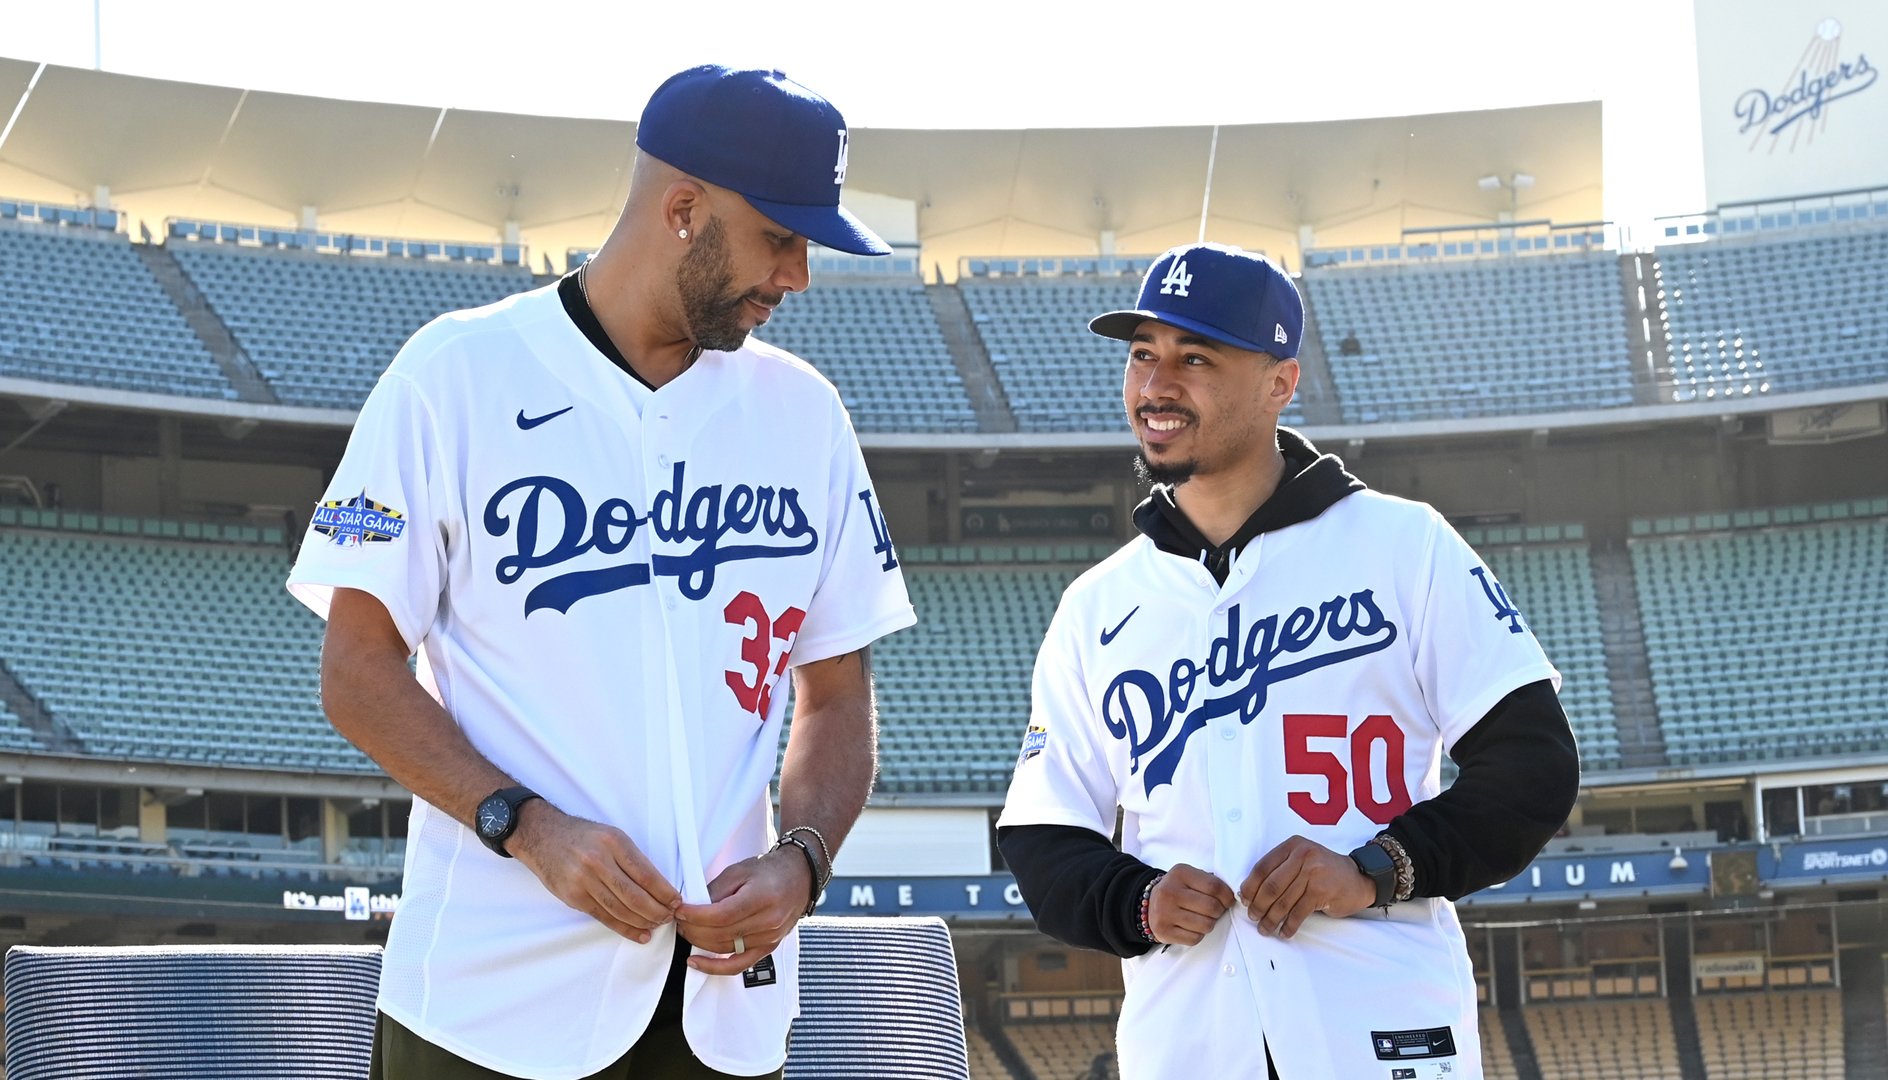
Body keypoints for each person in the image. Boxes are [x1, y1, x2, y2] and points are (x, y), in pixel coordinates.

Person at [288, 65, 915, 1080]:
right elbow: (356, 672)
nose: (797, 275)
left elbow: (835, 699)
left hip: (721, 1007)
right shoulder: (452, 377)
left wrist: (802, 859)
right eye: (781, 238)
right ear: (683, 209)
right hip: (488, 1006)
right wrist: (524, 826)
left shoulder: (806, 417)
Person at [997, 243, 1579, 1080]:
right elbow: (1044, 834)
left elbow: (1533, 766)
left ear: (1280, 383)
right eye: (1141, 355)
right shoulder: (1097, 606)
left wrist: (1376, 869)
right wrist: (1140, 900)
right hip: (1189, 1043)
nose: (1156, 386)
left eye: (1195, 357)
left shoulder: (1403, 545)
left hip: (1380, 1025)